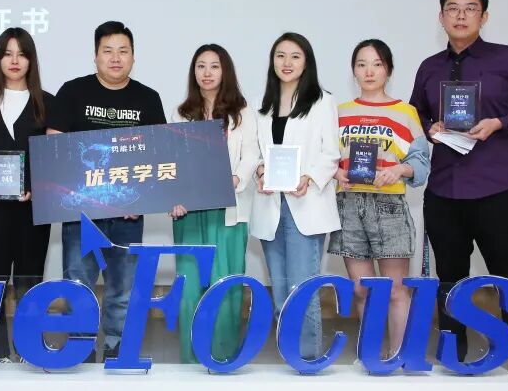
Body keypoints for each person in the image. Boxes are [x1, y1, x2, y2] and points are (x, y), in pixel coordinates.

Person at [410, 0, 508, 391]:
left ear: (484, 16)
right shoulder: (429, 67)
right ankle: (454, 365)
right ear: (440, 17)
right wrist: (430, 127)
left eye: (470, 8)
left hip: (496, 189)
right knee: (449, 283)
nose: (460, 15)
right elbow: (416, 111)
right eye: (452, 8)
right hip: (444, 191)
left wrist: (501, 122)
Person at [47, 21, 166, 362]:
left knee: (123, 288)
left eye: (123, 51)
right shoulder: (73, 92)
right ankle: (80, 348)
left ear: (133, 57)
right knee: (78, 284)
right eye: (108, 51)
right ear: (96, 56)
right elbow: (55, 147)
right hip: (82, 216)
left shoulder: (147, 98)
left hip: (128, 214)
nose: (116, 58)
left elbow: (158, 155)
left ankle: (117, 350)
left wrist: (142, 199)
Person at [329, 39, 430, 354]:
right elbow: (326, 158)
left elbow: (421, 162)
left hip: (389, 207)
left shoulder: (405, 112)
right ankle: (371, 354)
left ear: (388, 70)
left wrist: (399, 170)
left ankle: (397, 355)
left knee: (395, 289)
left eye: (377, 64)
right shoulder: (339, 112)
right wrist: (335, 173)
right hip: (349, 206)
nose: (369, 71)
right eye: (361, 64)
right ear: (353, 71)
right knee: (362, 289)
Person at [0, 28, 56, 362]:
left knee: (30, 280)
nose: (15, 61)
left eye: (22, 54)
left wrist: (35, 184)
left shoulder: (48, 103)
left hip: (33, 209)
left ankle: (29, 348)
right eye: (7, 54)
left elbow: (53, 155)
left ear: (31, 60)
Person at [250, 32, 340, 361]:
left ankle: (308, 361)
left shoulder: (322, 101)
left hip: (306, 204)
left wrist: (309, 177)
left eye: (295, 56)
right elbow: (257, 153)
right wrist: (261, 170)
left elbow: (331, 153)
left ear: (306, 63)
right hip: (271, 206)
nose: (286, 63)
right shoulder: (262, 106)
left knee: (302, 289)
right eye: (280, 56)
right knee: (280, 289)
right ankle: (289, 356)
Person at [168, 44, 258, 363]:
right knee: (190, 285)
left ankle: (222, 358)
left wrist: (234, 179)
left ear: (225, 71)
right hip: (190, 213)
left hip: (228, 210)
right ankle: (191, 359)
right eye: (201, 66)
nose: (207, 73)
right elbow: (172, 161)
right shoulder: (181, 113)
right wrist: (173, 196)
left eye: (214, 66)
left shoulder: (242, 113)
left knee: (225, 285)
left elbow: (252, 155)